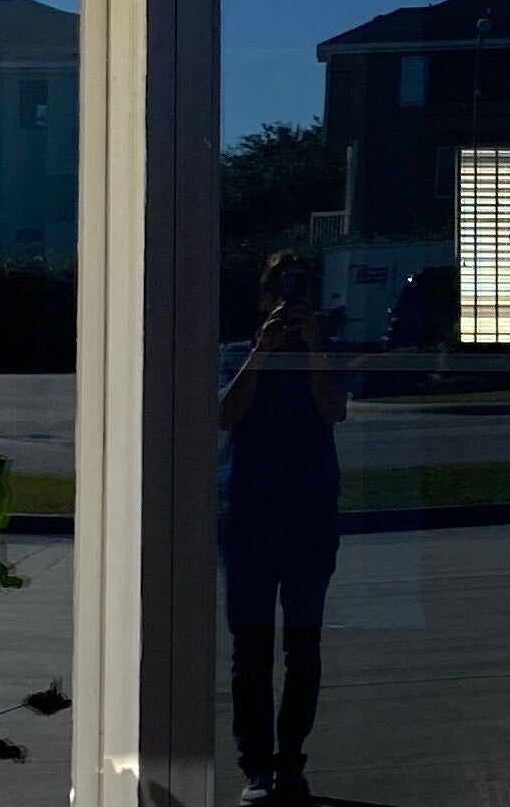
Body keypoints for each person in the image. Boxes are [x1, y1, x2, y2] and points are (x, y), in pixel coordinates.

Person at [219, 251, 347, 805]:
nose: (289, 300)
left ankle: (290, 758)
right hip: (249, 512)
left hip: (309, 511)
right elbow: (225, 414)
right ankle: (255, 765)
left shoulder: (324, 353)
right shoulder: (237, 353)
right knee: (249, 648)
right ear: (264, 297)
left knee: (303, 645)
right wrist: (262, 353)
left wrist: (312, 346)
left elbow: (334, 409)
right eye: (279, 288)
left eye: (298, 289)